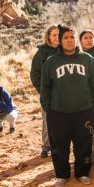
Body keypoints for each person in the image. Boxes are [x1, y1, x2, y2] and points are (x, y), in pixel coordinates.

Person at [40, 25, 94, 187]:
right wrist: (48, 108)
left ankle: (82, 173)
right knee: (59, 146)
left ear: (76, 40)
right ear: (60, 41)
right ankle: (62, 175)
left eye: (72, 37)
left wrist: (92, 106)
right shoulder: (51, 62)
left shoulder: (88, 60)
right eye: (66, 37)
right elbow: (45, 88)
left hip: (83, 112)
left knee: (84, 144)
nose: (69, 40)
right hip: (58, 113)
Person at [30, 25, 59, 158]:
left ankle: (60, 147)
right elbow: (35, 73)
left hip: (65, 94)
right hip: (47, 93)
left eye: (59, 35)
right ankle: (46, 147)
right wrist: (41, 89)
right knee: (47, 120)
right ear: (48, 37)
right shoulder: (42, 52)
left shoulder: (65, 51)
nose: (57, 37)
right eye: (54, 35)